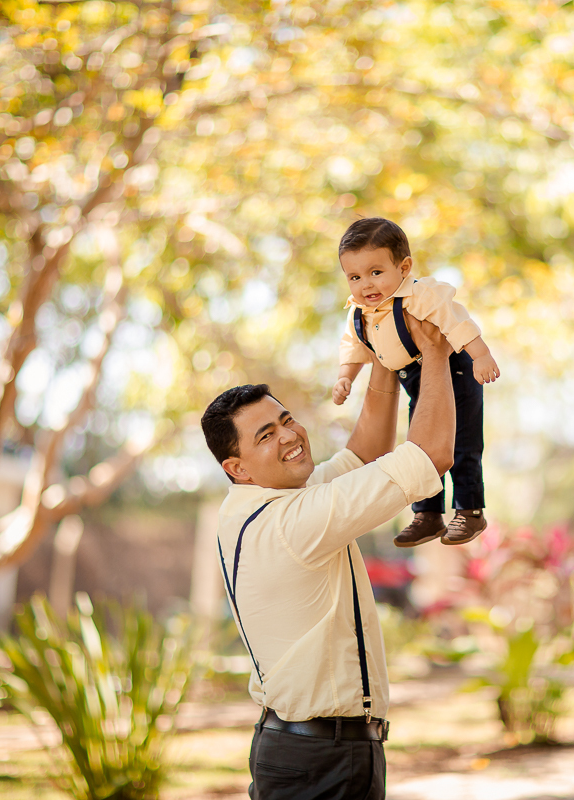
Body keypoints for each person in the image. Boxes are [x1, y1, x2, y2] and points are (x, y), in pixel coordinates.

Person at [200, 313, 456, 800]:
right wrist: (437, 354)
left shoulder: (259, 502)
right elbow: (432, 454)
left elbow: (365, 454)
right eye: (266, 436)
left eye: (285, 420)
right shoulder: (293, 523)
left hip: (303, 750)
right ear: (237, 467)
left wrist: (385, 343)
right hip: (325, 760)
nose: (290, 437)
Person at [331, 217, 499, 548]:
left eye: (376, 272)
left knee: (460, 443)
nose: (366, 284)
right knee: (420, 444)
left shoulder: (419, 296)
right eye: (355, 277)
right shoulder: (358, 314)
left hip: (455, 371)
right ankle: (428, 514)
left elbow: (456, 321)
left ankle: (470, 510)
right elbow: (353, 348)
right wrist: (344, 378)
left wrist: (480, 355)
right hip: (415, 380)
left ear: (404, 267)